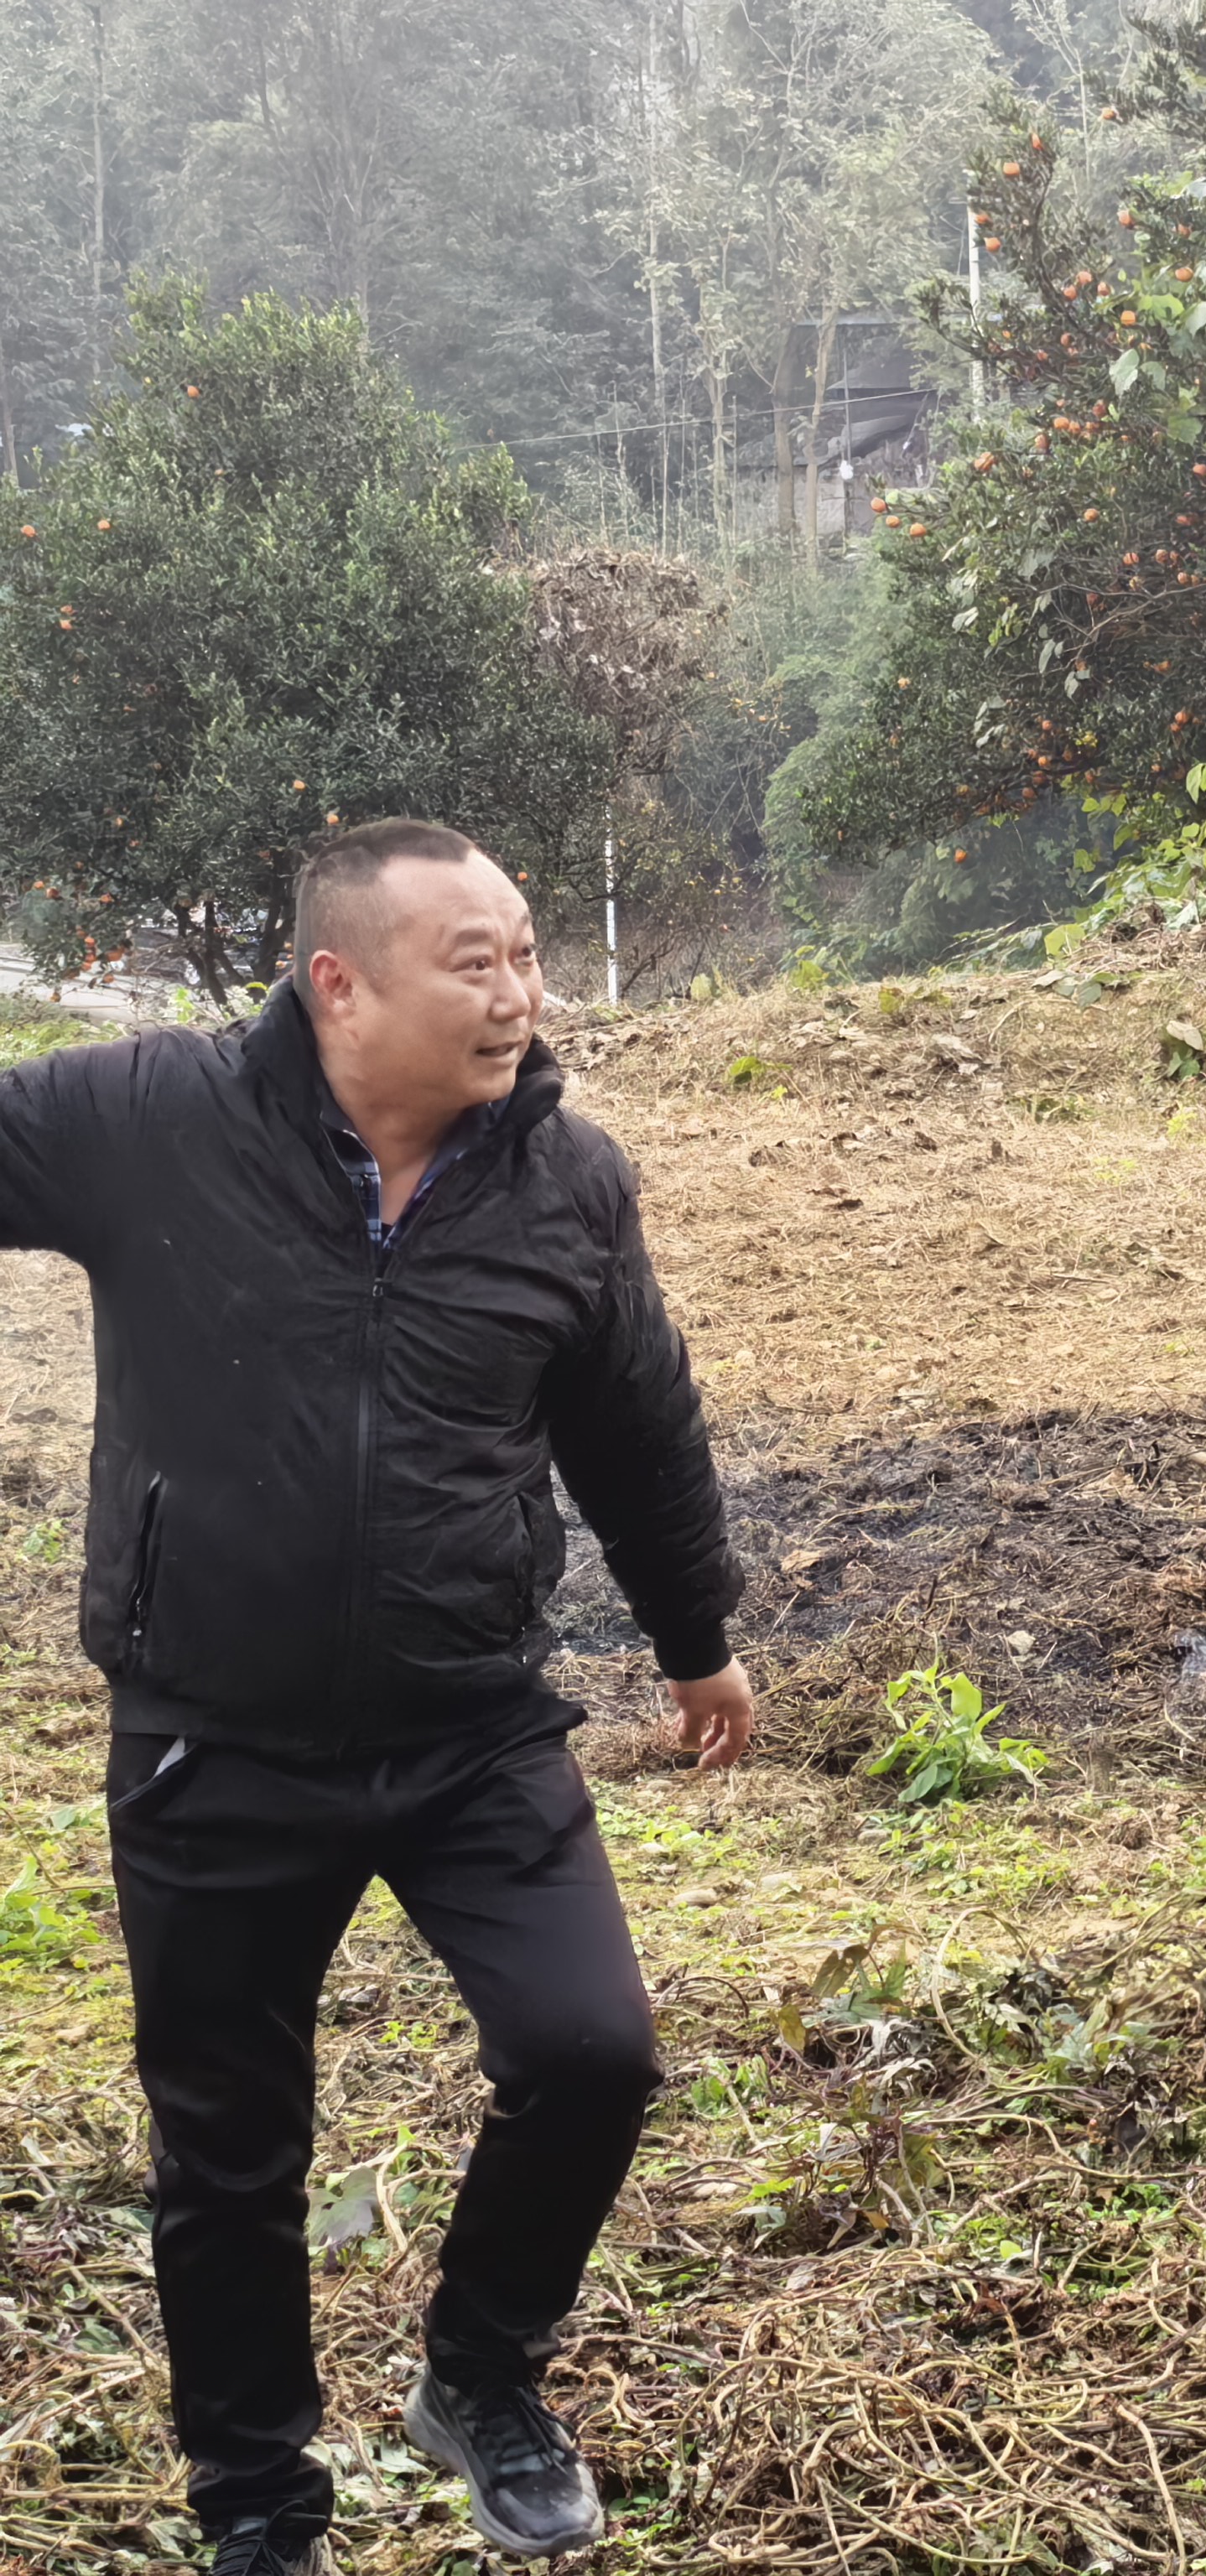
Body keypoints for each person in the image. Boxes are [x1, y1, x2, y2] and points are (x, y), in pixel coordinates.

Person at [6, 822, 751, 2573]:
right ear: (339, 984)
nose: (521, 996)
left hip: (470, 1722)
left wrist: (693, 1633)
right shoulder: (145, 1122)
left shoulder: (564, 1182)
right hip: (214, 1735)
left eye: (525, 952)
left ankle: (482, 2378)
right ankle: (258, 2504)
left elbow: (635, 1424)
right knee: (231, 2157)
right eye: (473, 962)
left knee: (593, 2055)